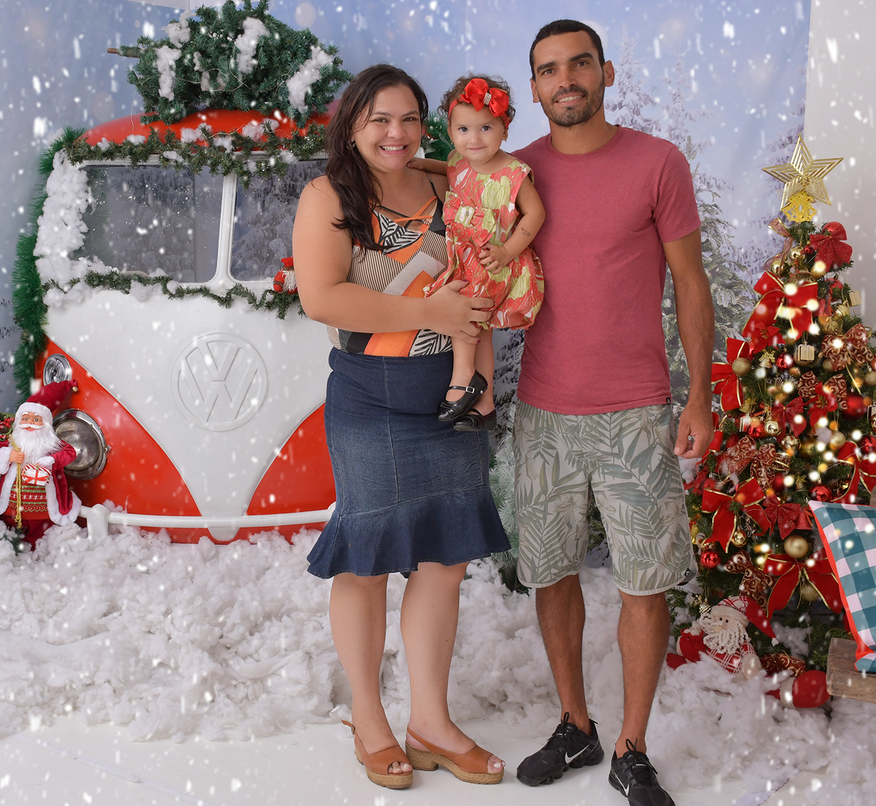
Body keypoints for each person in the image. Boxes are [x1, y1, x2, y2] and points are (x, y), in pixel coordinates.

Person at [509, 20, 715, 806]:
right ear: (534, 86)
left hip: (635, 412)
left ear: (606, 73)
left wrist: (699, 395)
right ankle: (575, 725)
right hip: (543, 409)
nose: (565, 79)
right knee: (552, 571)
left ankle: (631, 747)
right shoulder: (516, 173)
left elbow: (690, 282)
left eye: (579, 64)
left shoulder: (657, 163)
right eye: (548, 69)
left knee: (643, 582)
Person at [291, 64, 511, 790]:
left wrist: (478, 377)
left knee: (445, 559)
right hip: (372, 398)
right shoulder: (329, 195)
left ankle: (430, 723)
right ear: (352, 124)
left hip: (451, 390)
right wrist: (428, 312)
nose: (397, 132)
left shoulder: (450, 185)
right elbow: (322, 298)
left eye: (410, 118)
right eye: (380, 119)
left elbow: (486, 256)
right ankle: (368, 717)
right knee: (367, 558)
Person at [412, 74, 546, 432]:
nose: (474, 139)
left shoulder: (514, 174)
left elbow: (536, 214)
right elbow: (449, 169)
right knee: (481, 328)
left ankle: (462, 377)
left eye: (486, 128)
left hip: (496, 262)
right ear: (451, 131)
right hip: (466, 260)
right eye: (463, 130)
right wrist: (423, 165)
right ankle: (484, 407)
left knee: (464, 307)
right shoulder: (458, 161)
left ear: (504, 129)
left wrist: (507, 251)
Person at [0, 380, 82, 549]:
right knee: (7, 537)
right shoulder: (11, 441)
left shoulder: (52, 445)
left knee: (42, 541)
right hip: (11, 509)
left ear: (46, 424)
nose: (29, 423)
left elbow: (70, 452)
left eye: (36, 419)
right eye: (25, 418)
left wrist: (51, 460)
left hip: (44, 512)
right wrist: (7, 454)